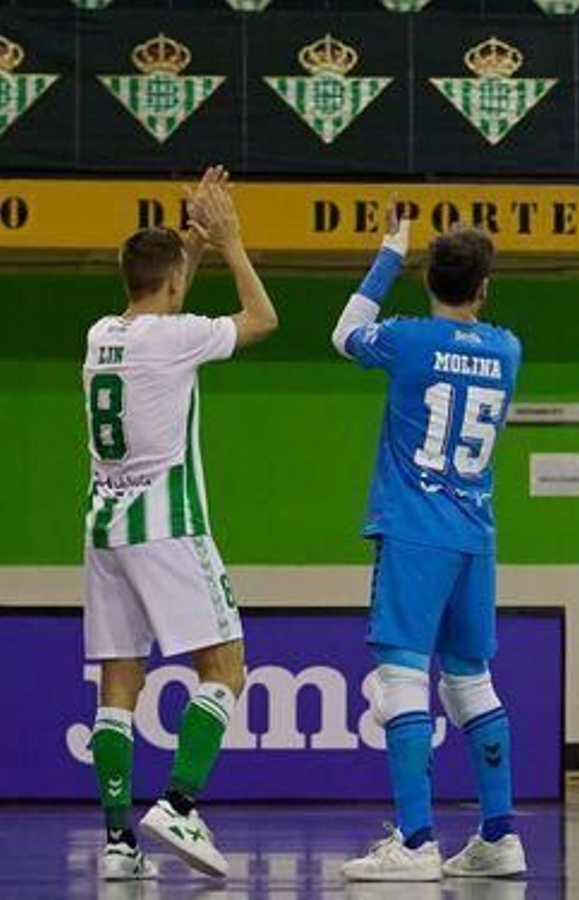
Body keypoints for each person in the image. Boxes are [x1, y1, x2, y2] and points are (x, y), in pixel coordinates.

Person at [83, 167, 277, 882]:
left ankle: (117, 843)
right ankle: (181, 803)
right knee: (225, 666)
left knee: (118, 684)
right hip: (168, 524)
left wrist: (184, 251)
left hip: (105, 528)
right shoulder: (175, 338)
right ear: (171, 286)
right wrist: (227, 242)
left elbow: (162, 307)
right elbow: (262, 319)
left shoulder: (102, 333)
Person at [334, 204, 525, 881]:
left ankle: (416, 841)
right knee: (472, 680)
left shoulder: (409, 341)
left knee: (402, 679)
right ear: (484, 287)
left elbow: (345, 332)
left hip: (414, 530)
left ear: (429, 283)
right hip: (475, 531)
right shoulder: (507, 348)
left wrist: (389, 251)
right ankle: (499, 835)